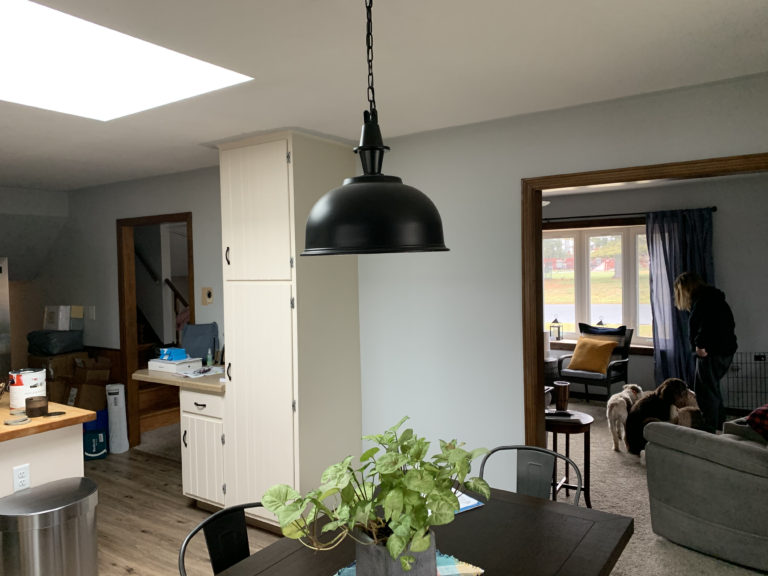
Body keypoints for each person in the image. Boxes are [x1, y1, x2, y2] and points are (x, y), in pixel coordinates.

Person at [674, 272, 737, 433]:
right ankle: (720, 427)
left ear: (685, 288)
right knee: (713, 390)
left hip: (711, 352)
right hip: (725, 351)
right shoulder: (714, 298)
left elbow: (706, 325)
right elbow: (727, 324)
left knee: (705, 394)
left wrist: (700, 345)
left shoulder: (703, 301)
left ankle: (709, 431)